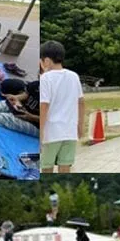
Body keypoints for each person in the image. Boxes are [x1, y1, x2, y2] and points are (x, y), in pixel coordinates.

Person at [40, 41, 84, 173]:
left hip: (51, 131)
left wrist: (40, 132)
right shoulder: (74, 76)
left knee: (46, 167)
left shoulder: (45, 78)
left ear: (46, 61)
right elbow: (81, 102)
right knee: (65, 166)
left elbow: (44, 106)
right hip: (70, 130)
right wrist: (80, 125)